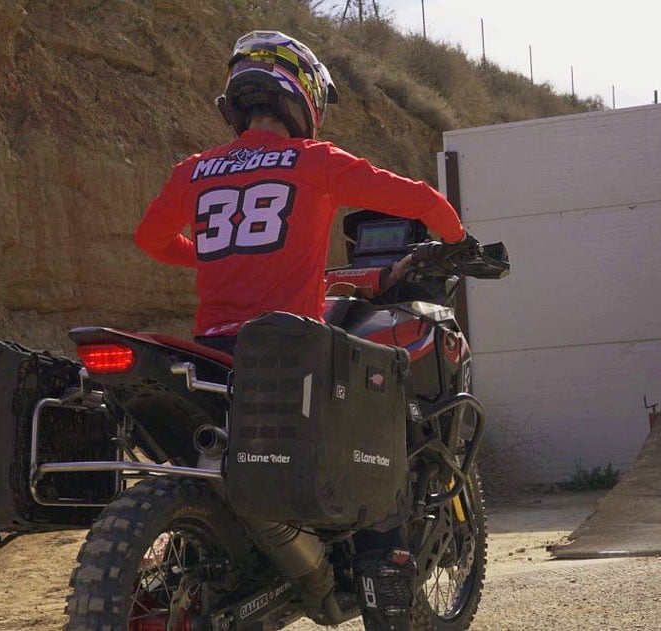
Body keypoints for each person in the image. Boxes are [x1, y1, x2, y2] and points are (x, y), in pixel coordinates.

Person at [134, 30, 476, 631]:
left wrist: (214, 255)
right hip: (290, 350)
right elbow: (421, 199)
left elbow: (150, 240)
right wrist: (456, 239)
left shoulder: (195, 169)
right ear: (304, 96)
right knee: (378, 441)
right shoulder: (316, 161)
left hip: (214, 350)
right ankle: (383, 589)